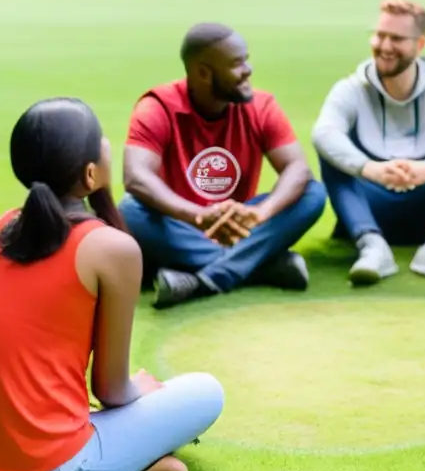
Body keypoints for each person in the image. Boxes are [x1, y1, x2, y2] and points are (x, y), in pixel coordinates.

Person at [0, 98, 224, 471]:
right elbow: (110, 390)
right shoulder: (113, 249)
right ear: (91, 174)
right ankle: (129, 464)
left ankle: (124, 459)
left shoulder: (6, 226)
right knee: (207, 392)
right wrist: (140, 389)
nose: (108, 145)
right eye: (102, 141)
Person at [119, 22, 326, 308]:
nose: (248, 70)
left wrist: (260, 215)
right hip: (181, 224)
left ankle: (206, 278)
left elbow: (297, 168)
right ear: (203, 73)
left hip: (240, 227)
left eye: (246, 60)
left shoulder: (261, 106)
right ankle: (262, 266)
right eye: (236, 63)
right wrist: (198, 216)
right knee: (131, 209)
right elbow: (136, 176)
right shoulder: (157, 107)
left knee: (311, 192)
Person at [312, 0, 425, 286]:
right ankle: (371, 247)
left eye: (396, 38)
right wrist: (371, 169)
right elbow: (324, 132)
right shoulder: (350, 89)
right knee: (331, 150)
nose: (384, 46)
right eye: (380, 35)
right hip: (371, 205)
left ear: (420, 44)